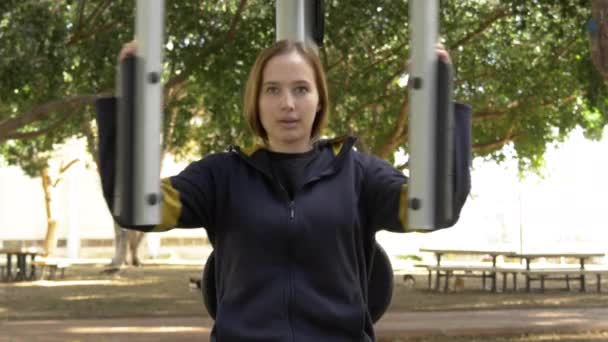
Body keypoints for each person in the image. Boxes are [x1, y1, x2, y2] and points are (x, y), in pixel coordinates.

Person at [95, 39, 471, 342]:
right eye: (272, 90)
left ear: (319, 99)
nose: (287, 104)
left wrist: (434, 97)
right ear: (256, 102)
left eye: (301, 89)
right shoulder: (222, 175)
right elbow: (137, 208)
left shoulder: (359, 174)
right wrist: (132, 97)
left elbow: (436, 208)